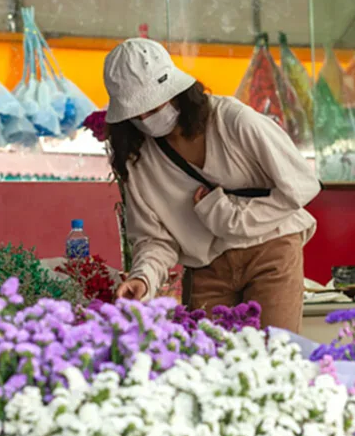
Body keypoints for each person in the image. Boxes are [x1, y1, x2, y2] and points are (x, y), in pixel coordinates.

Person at [103, 38, 320, 332]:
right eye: (136, 114)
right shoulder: (138, 160)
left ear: (177, 92)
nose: (145, 118)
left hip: (271, 252)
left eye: (153, 107)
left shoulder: (233, 120)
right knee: (209, 366)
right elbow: (154, 239)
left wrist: (233, 218)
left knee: (275, 357)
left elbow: (302, 185)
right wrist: (143, 278)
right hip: (206, 268)